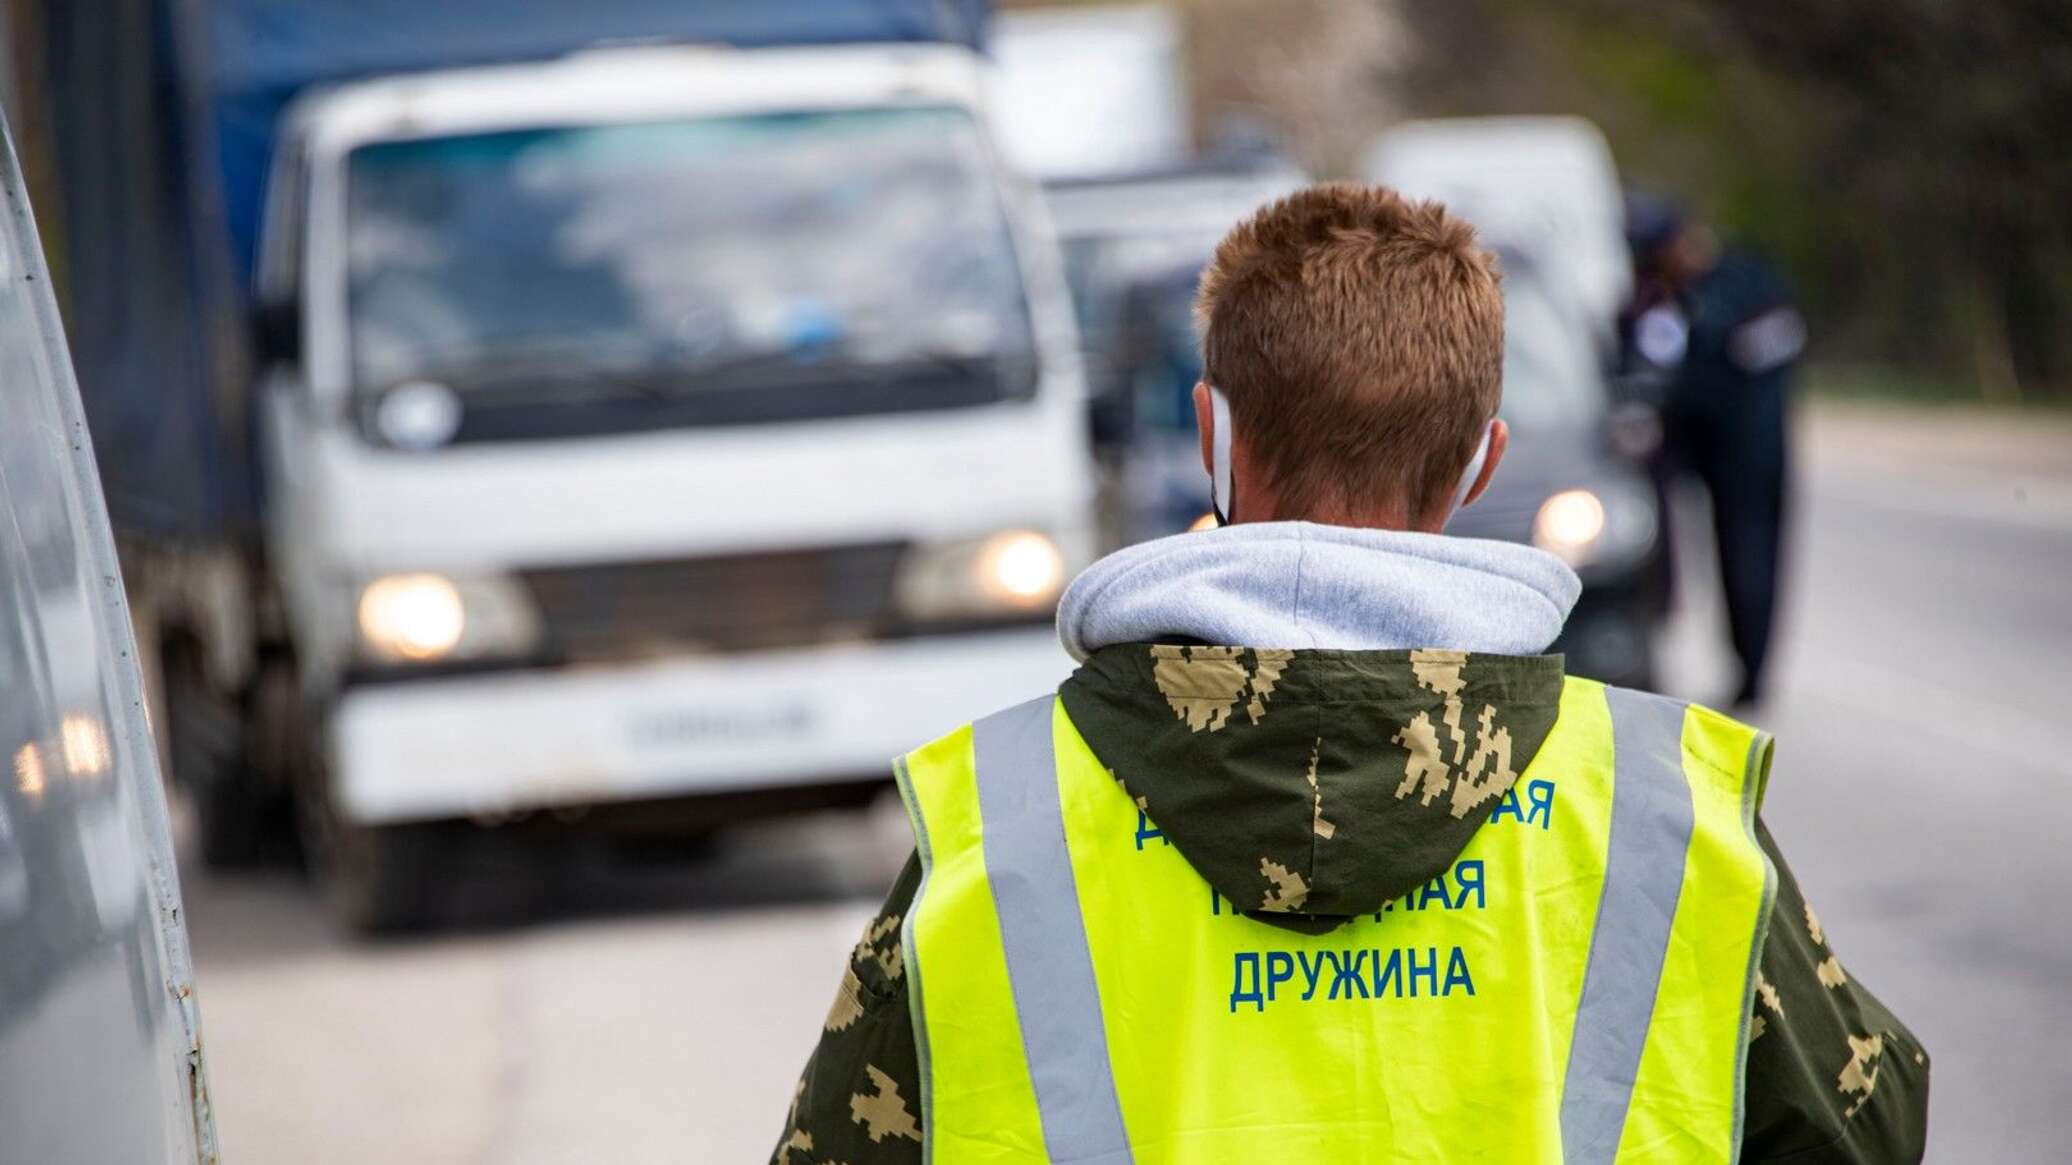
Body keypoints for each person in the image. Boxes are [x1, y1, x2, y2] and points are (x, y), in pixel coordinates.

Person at [773, 185, 1925, 1164]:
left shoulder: (995, 816)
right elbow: (1861, 1126)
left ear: (1212, 434)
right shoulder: (1664, 813)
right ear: (1482, 460)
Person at [1623, 195, 1804, 708]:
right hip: (1683, 439)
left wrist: (1703, 343)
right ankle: (1646, 648)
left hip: (1748, 448)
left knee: (1750, 558)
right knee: (1644, 539)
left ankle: (1752, 672)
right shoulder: (1655, 296)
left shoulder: (1747, 281)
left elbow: (1771, 348)